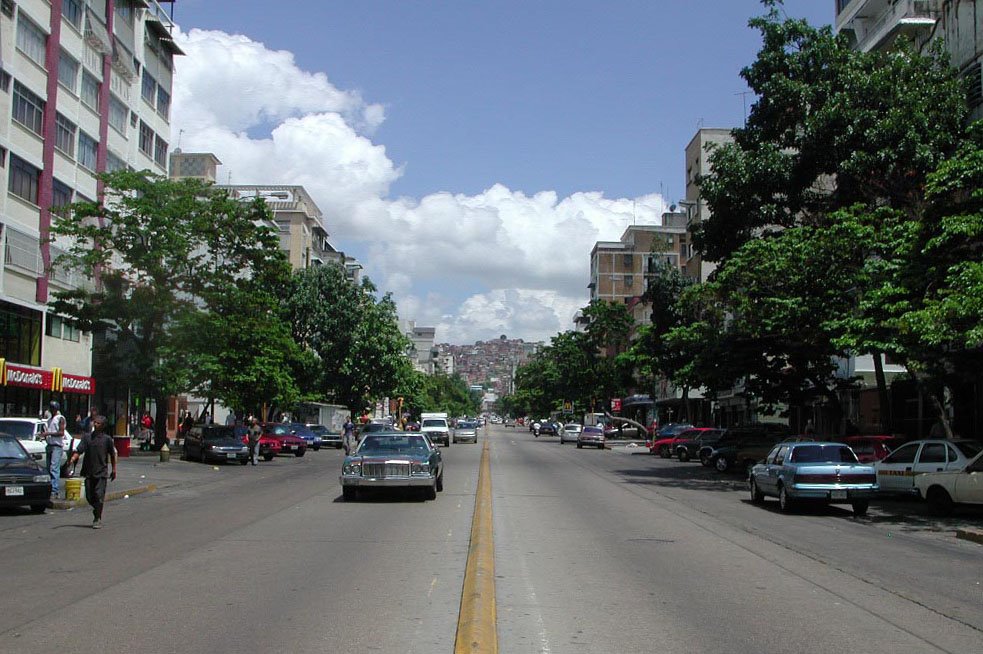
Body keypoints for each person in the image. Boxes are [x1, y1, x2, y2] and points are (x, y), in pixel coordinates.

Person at [68, 415, 117, 529]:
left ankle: (97, 518)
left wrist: (114, 470)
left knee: (99, 496)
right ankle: (96, 510)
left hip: (101, 473)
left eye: (98, 423)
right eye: (95, 422)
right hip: (89, 472)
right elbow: (79, 450)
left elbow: (112, 455)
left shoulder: (107, 439)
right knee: (90, 497)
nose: (95, 424)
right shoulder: (87, 437)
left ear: (103, 426)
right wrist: (72, 459)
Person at [41, 401, 67, 498]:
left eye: (53, 408)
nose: (51, 410)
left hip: (57, 446)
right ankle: (49, 488)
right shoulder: (49, 420)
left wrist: (48, 434)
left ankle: (54, 490)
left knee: (54, 468)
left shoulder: (60, 418)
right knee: (48, 469)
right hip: (49, 445)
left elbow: (61, 433)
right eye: (50, 408)